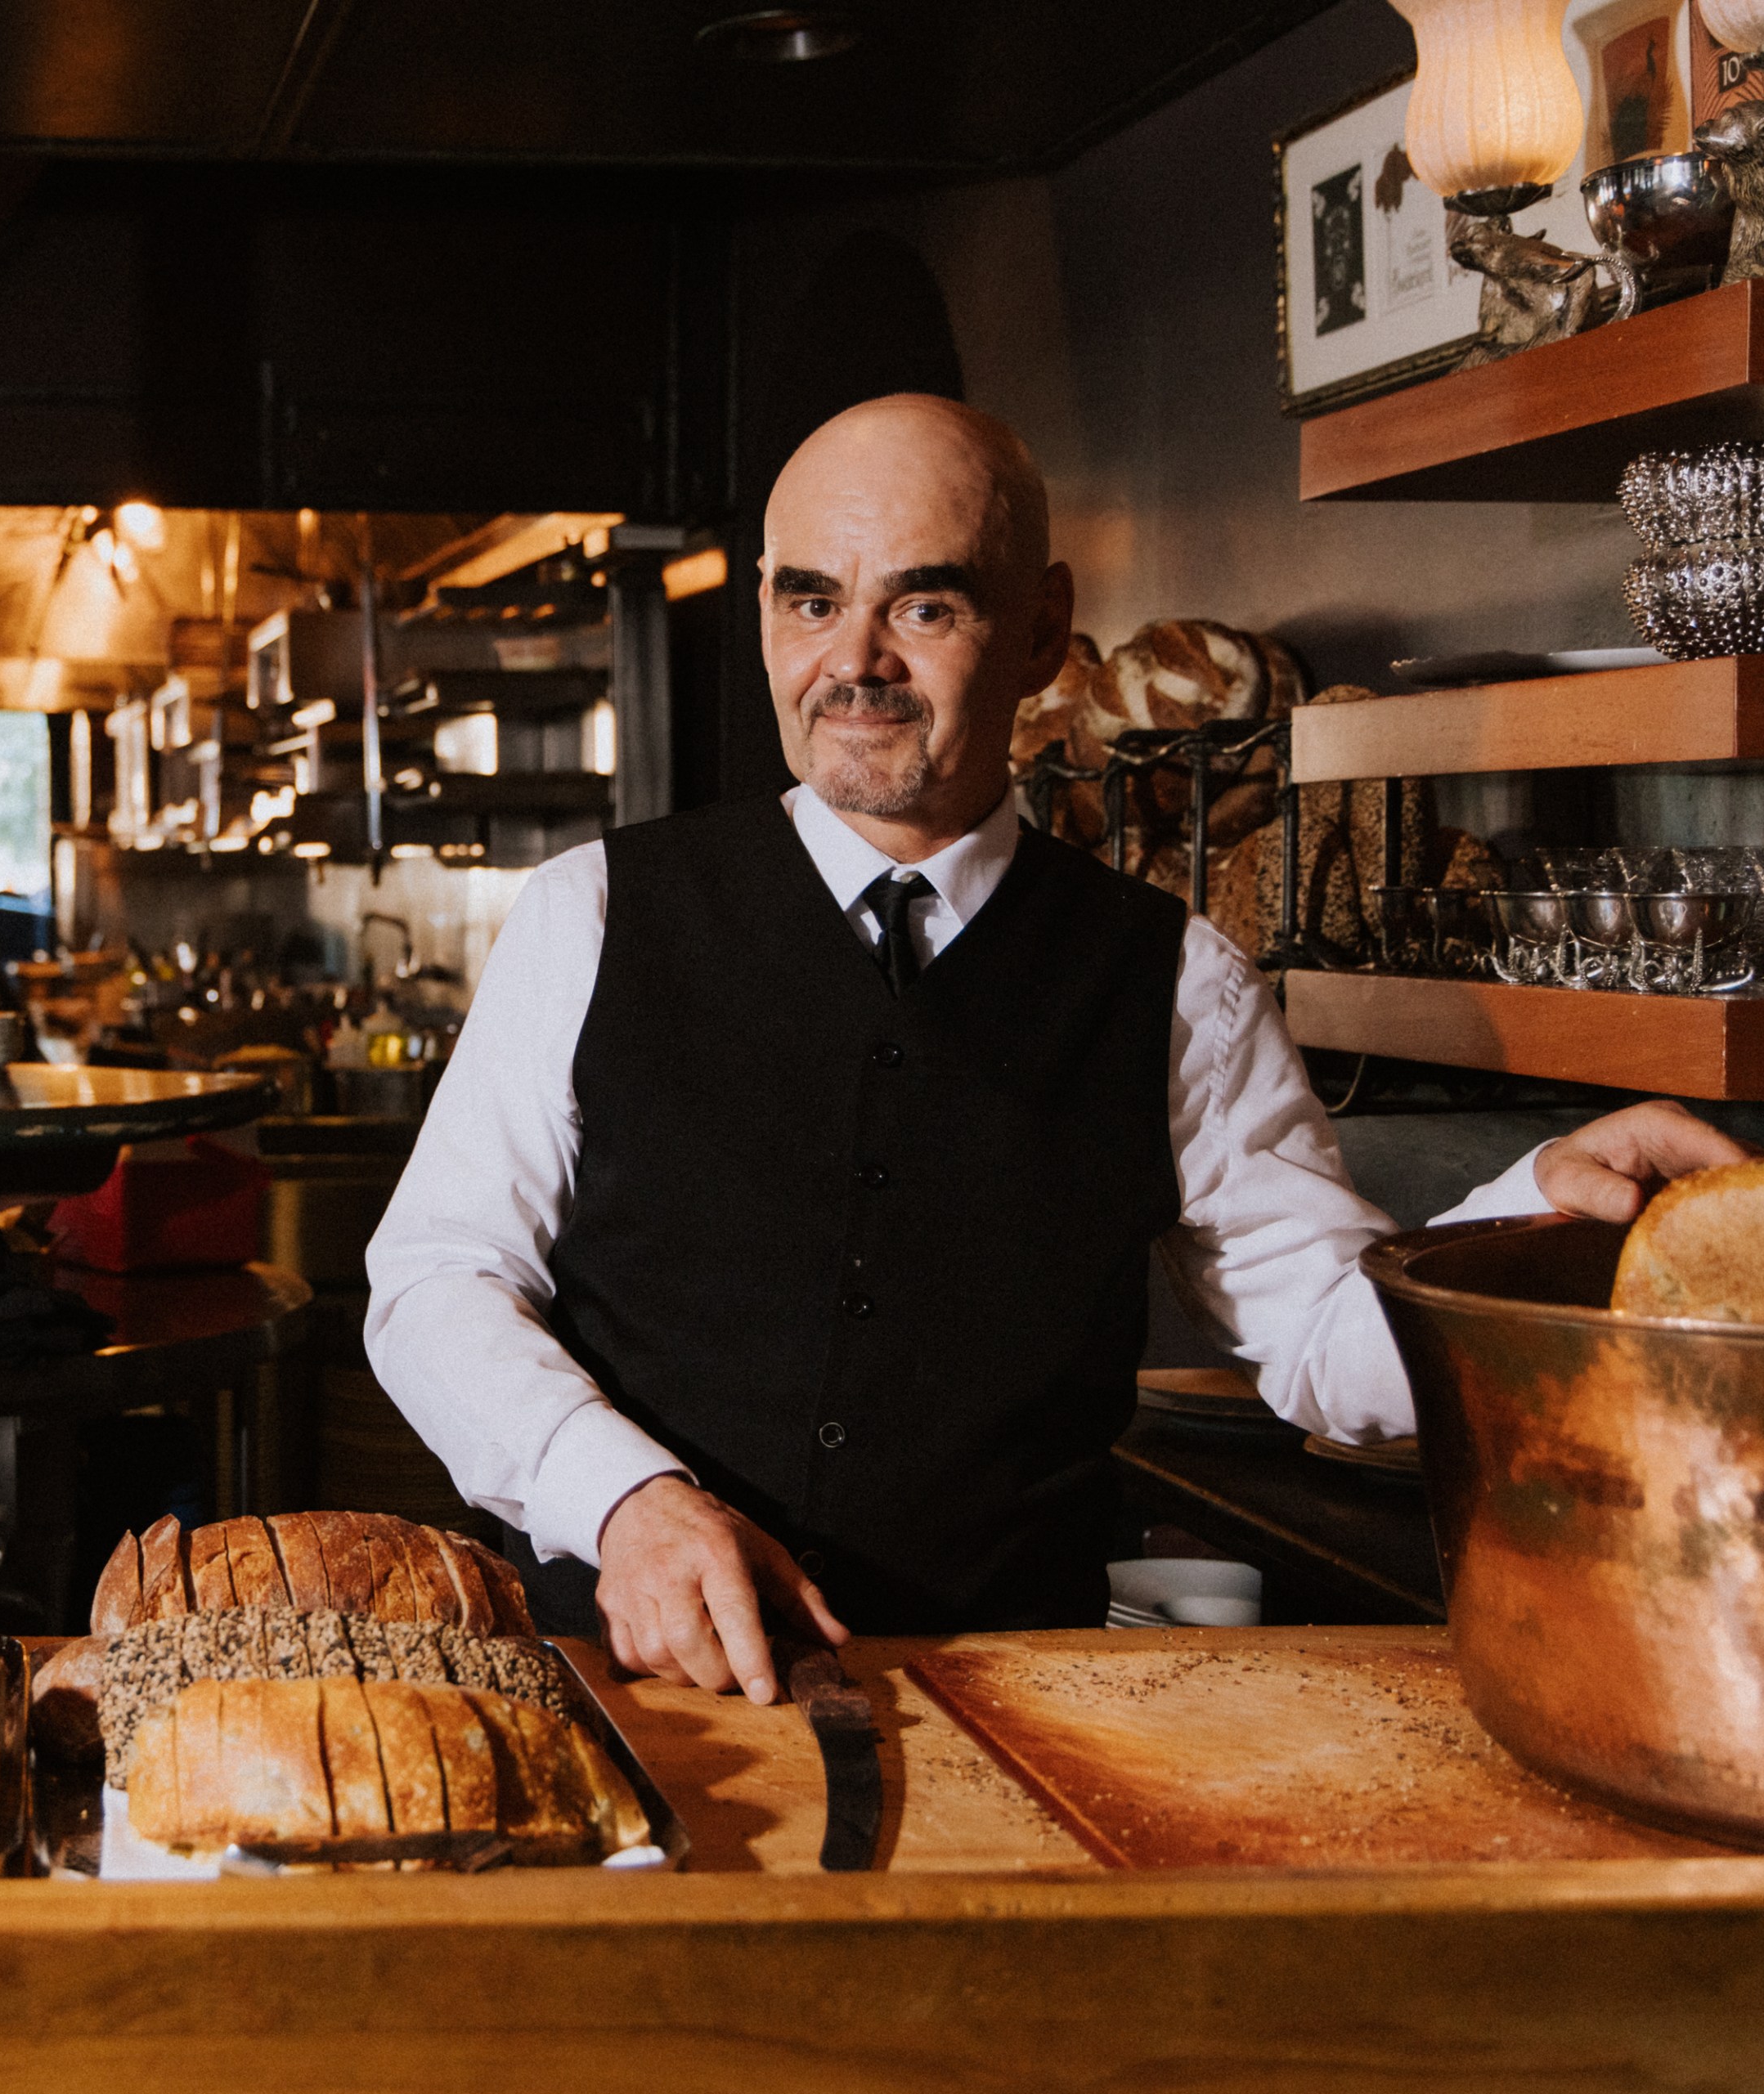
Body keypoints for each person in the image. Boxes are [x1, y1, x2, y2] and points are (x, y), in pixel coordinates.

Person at [363, 393, 1745, 1703]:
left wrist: (1531, 1224)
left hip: (1016, 1707)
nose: (853, 662)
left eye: (922, 600)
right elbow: (432, 1282)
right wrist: (622, 1503)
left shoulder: (1172, 982)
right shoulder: (593, 914)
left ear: (1038, 629)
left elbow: (1325, 1347)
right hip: (632, 1682)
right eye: (809, 600)